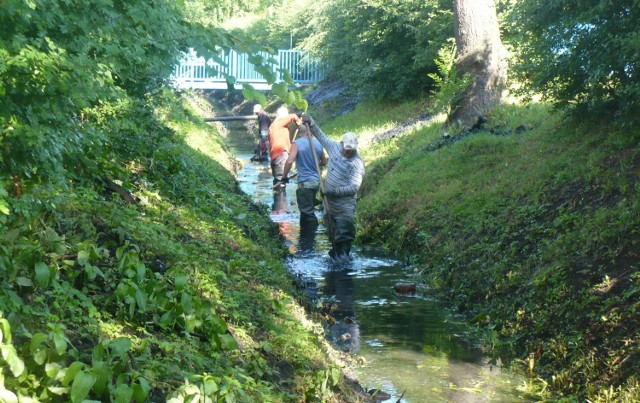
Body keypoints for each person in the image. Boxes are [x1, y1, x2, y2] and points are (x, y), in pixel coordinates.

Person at [302, 114, 365, 262]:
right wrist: (311, 122)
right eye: (346, 148)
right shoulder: (334, 148)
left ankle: (344, 257)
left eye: (351, 149)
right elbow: (321, 136)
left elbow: (354, 187)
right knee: (331, 231)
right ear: (341, 143)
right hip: (329, 203)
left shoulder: (357, 163)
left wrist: (332, 192)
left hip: (344, 206)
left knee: (344, 231)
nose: (348, 152)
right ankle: (336, 256)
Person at [281, 123, 327, 226]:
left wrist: (284, 177)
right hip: (316, 182)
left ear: (302, 133)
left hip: (305, 183)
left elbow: (289, 161)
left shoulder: (297, 144)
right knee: (308, 208)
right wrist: (313, 164)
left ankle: (310, 236)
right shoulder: (318, 144)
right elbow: (324, 162)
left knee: (307, 213)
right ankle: (306, 235)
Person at [268, 106, 301, 186]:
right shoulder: (279, 121)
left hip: (275, 156)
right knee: (280, 182)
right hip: (281, 154)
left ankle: (278, 195)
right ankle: (280, 196)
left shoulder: (274, 125)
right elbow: (293, 116)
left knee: (277, 180)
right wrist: (300, 124)